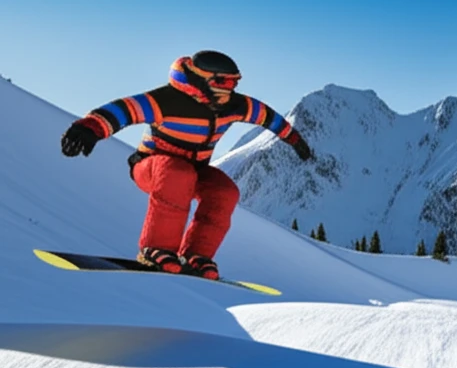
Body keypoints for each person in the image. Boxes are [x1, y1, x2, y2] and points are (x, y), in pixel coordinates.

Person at [59, 50, 312, 280]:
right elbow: (123, 110)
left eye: (235, 82)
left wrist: (294, 139)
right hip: (151, 167)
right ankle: (155, 249)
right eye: (222, 82)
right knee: (177, 174)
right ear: (200, 78)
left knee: (224, 192)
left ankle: (197, 255)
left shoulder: (235, 105)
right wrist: (88, 128)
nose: (229, 90)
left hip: (195, 171)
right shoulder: (167, 100)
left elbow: (268, 117)